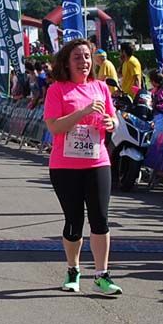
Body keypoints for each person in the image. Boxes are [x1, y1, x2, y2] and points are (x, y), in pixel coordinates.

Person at [43, 39, 122, 297]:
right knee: (74, 221)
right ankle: (73, 270)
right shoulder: (58, 90)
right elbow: (55, 127)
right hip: (65, 166)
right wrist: (84, 111)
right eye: (77, 57)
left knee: (100, 218)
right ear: (67, 62)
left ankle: (102, 274)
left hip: (97, 162)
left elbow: (113, 121)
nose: (84, 62)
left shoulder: (101, 87)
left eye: (87, 57)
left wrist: (111, 123)